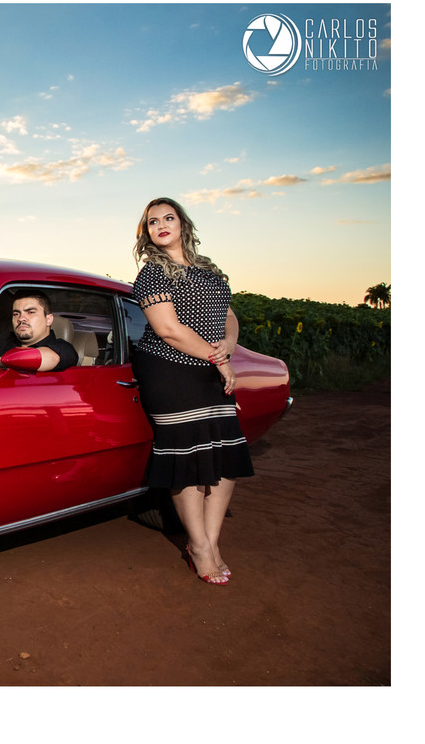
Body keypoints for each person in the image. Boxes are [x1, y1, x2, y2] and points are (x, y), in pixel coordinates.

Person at [131, 197, 253, 586]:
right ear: (146, 232)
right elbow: (169, 330)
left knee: (224, 456)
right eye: (153, 222)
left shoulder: (210, 270)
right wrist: (219, 360)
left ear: (183, 224)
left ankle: (211, 542)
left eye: (169, 218)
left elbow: (227, 315)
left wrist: (228, 346)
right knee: (186, 458)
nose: (161, 225)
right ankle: (197, 546)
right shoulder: (152, 274)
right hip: (169, 371)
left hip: (211, 368)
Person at [0, 289, 78, 371]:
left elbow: (46, 358)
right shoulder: (6, 340)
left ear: (48, 319)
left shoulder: (63, 348)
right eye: (16, 314)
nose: (21, 319)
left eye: (31, 312)